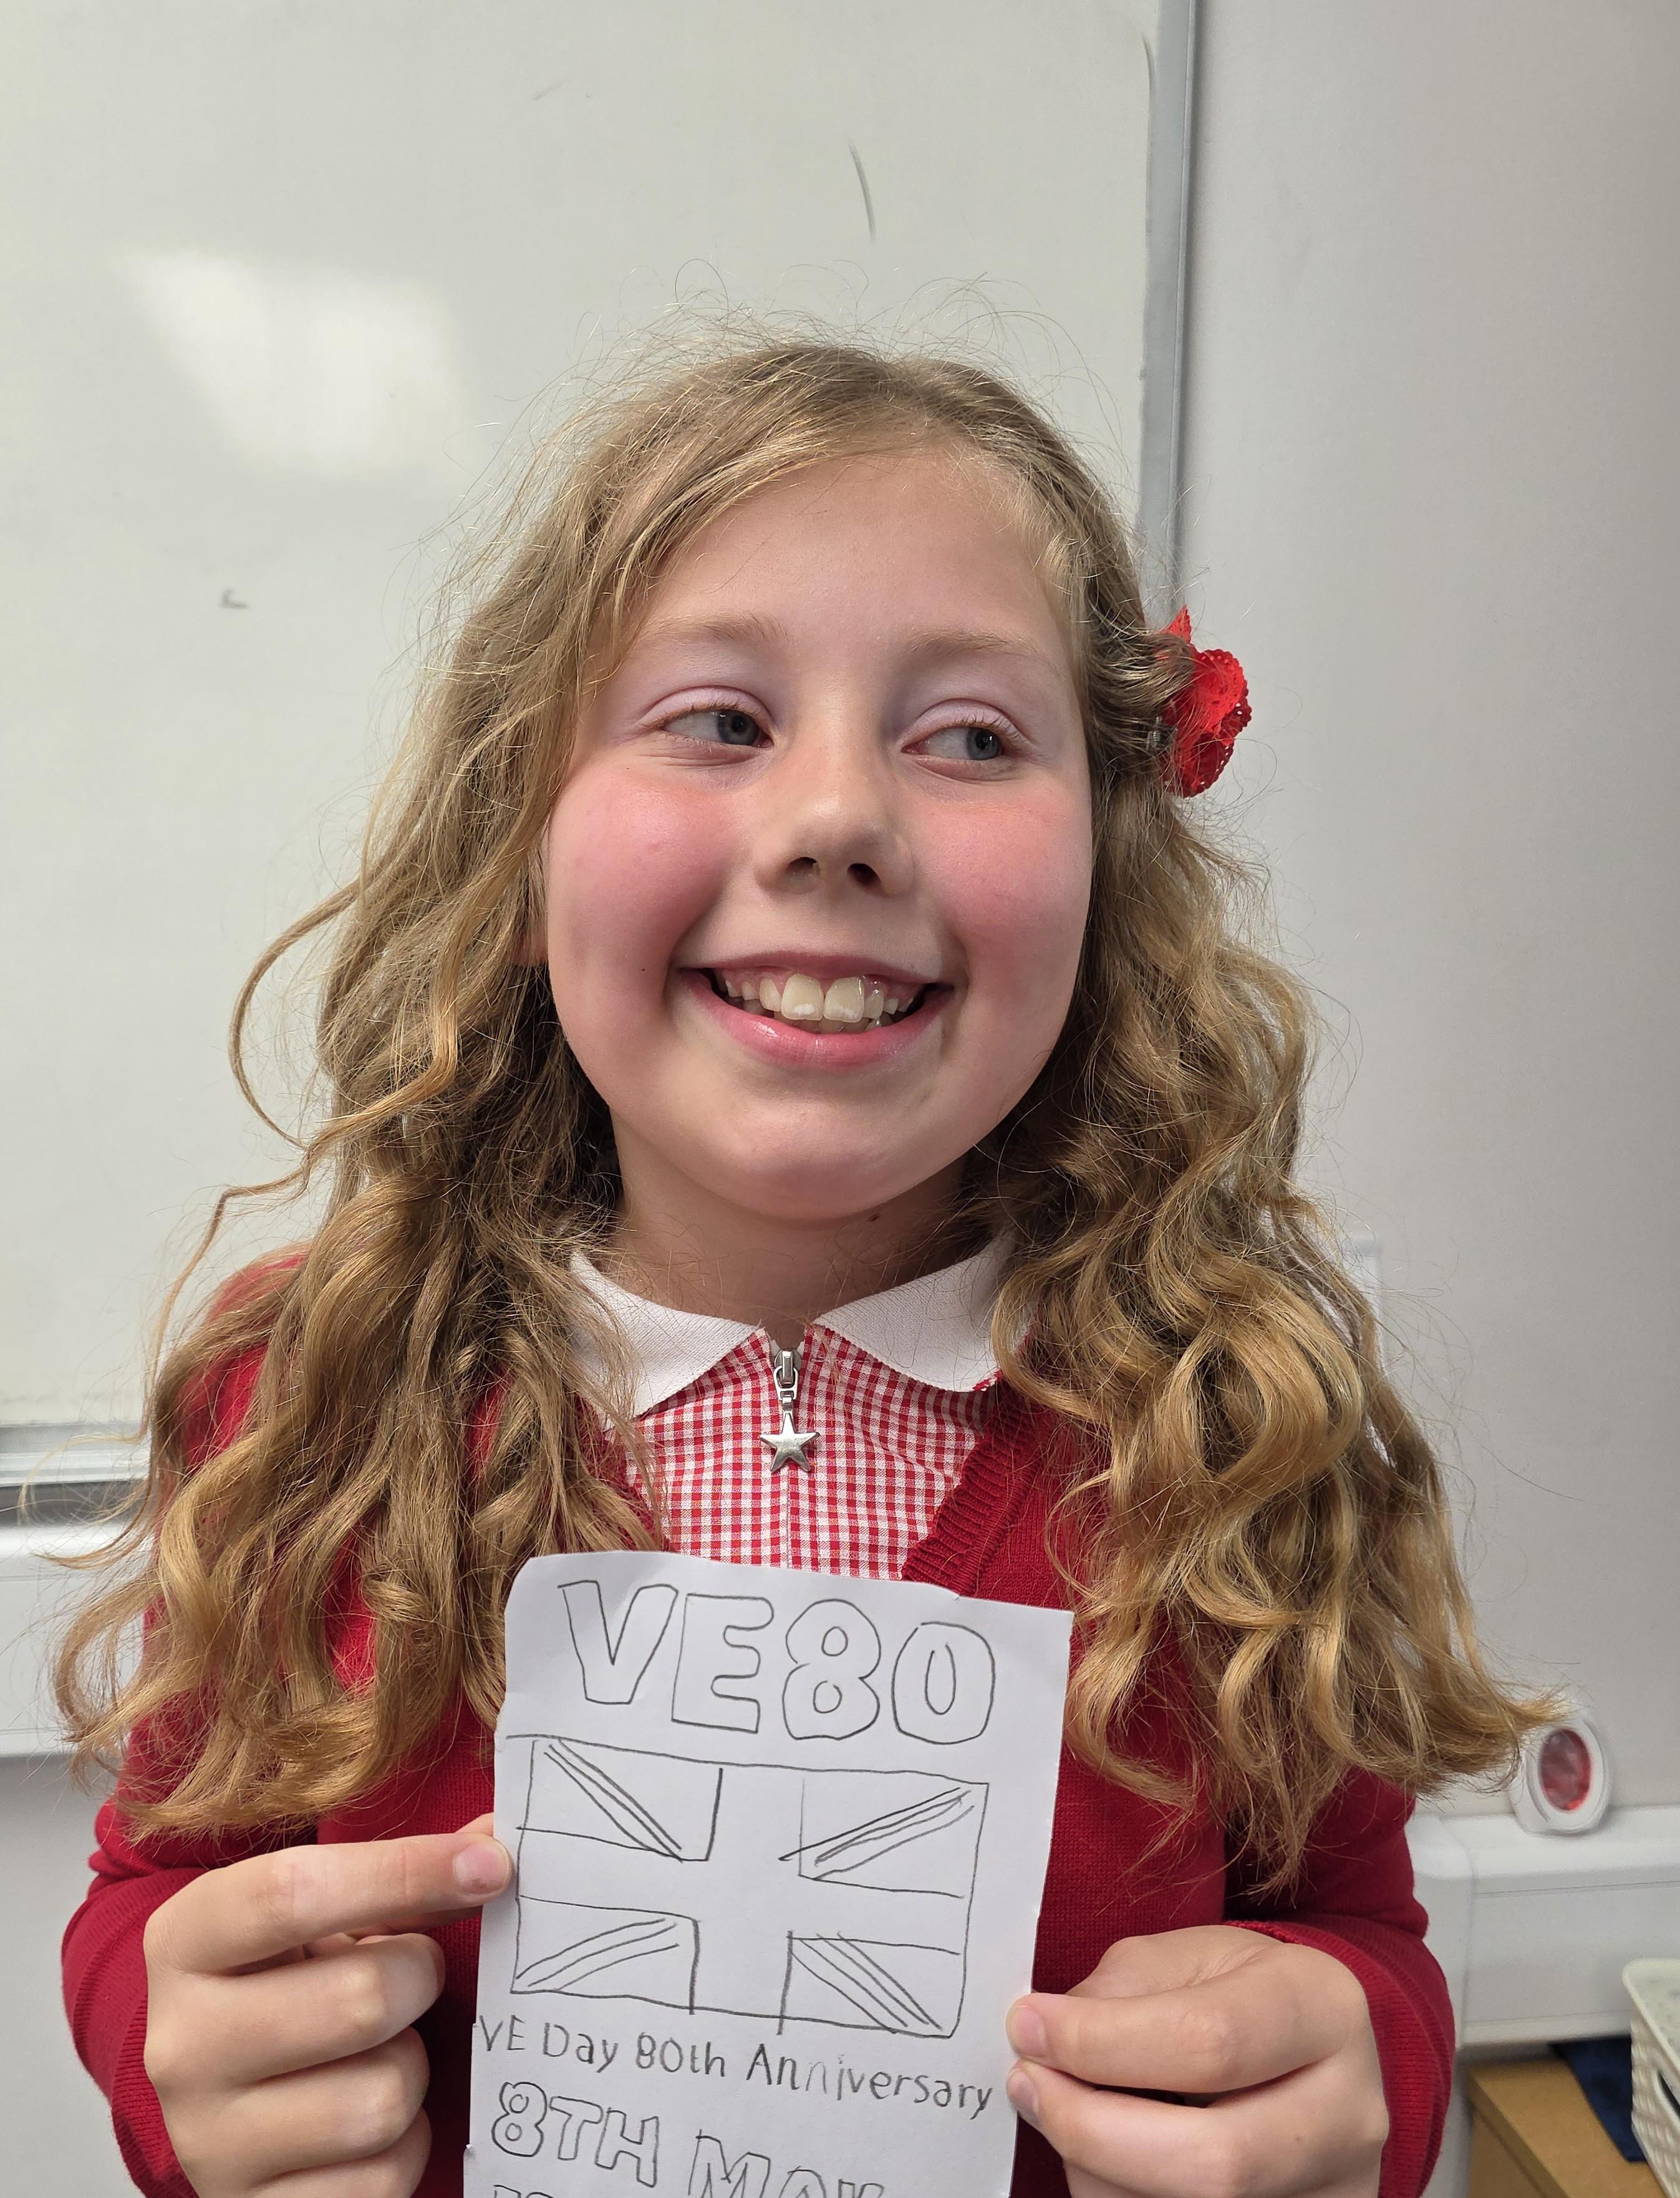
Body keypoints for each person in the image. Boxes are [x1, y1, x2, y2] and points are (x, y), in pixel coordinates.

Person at [58, 337, 1543, 2198]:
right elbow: (158, 1899)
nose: (838, 817)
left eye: (971, 738)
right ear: (522, 848)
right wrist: (171, 2047)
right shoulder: (308, 1399)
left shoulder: (1238, 1423)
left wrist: (1356, 2065)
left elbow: (1357, 1938)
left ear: (1107, 872)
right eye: (718, 720)